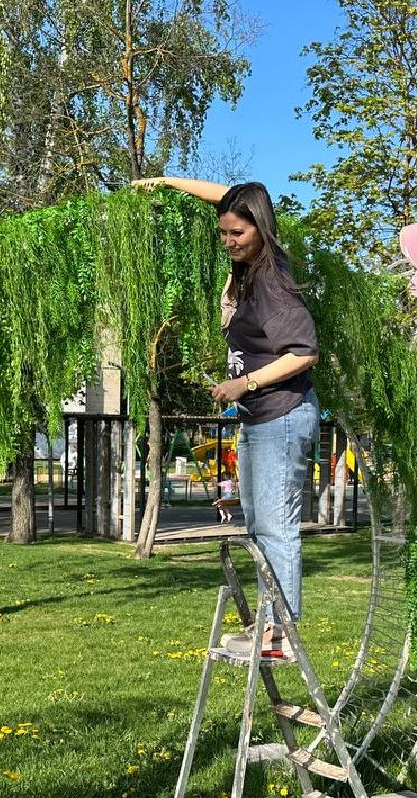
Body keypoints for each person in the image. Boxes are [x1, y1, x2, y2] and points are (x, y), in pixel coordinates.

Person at [135, 177, 320, 657]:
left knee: (276, 528)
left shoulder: (271, 282)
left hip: (282, 415)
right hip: (260, 420)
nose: (228, 241)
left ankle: (281, 633)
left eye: (237, 233)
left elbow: (304, 353)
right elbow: (231, 196)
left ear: (261, 228)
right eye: (223, 232)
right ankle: (270, 624)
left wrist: (244, 384)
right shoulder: (250, 264)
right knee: (258, 528)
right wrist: (167, 182)